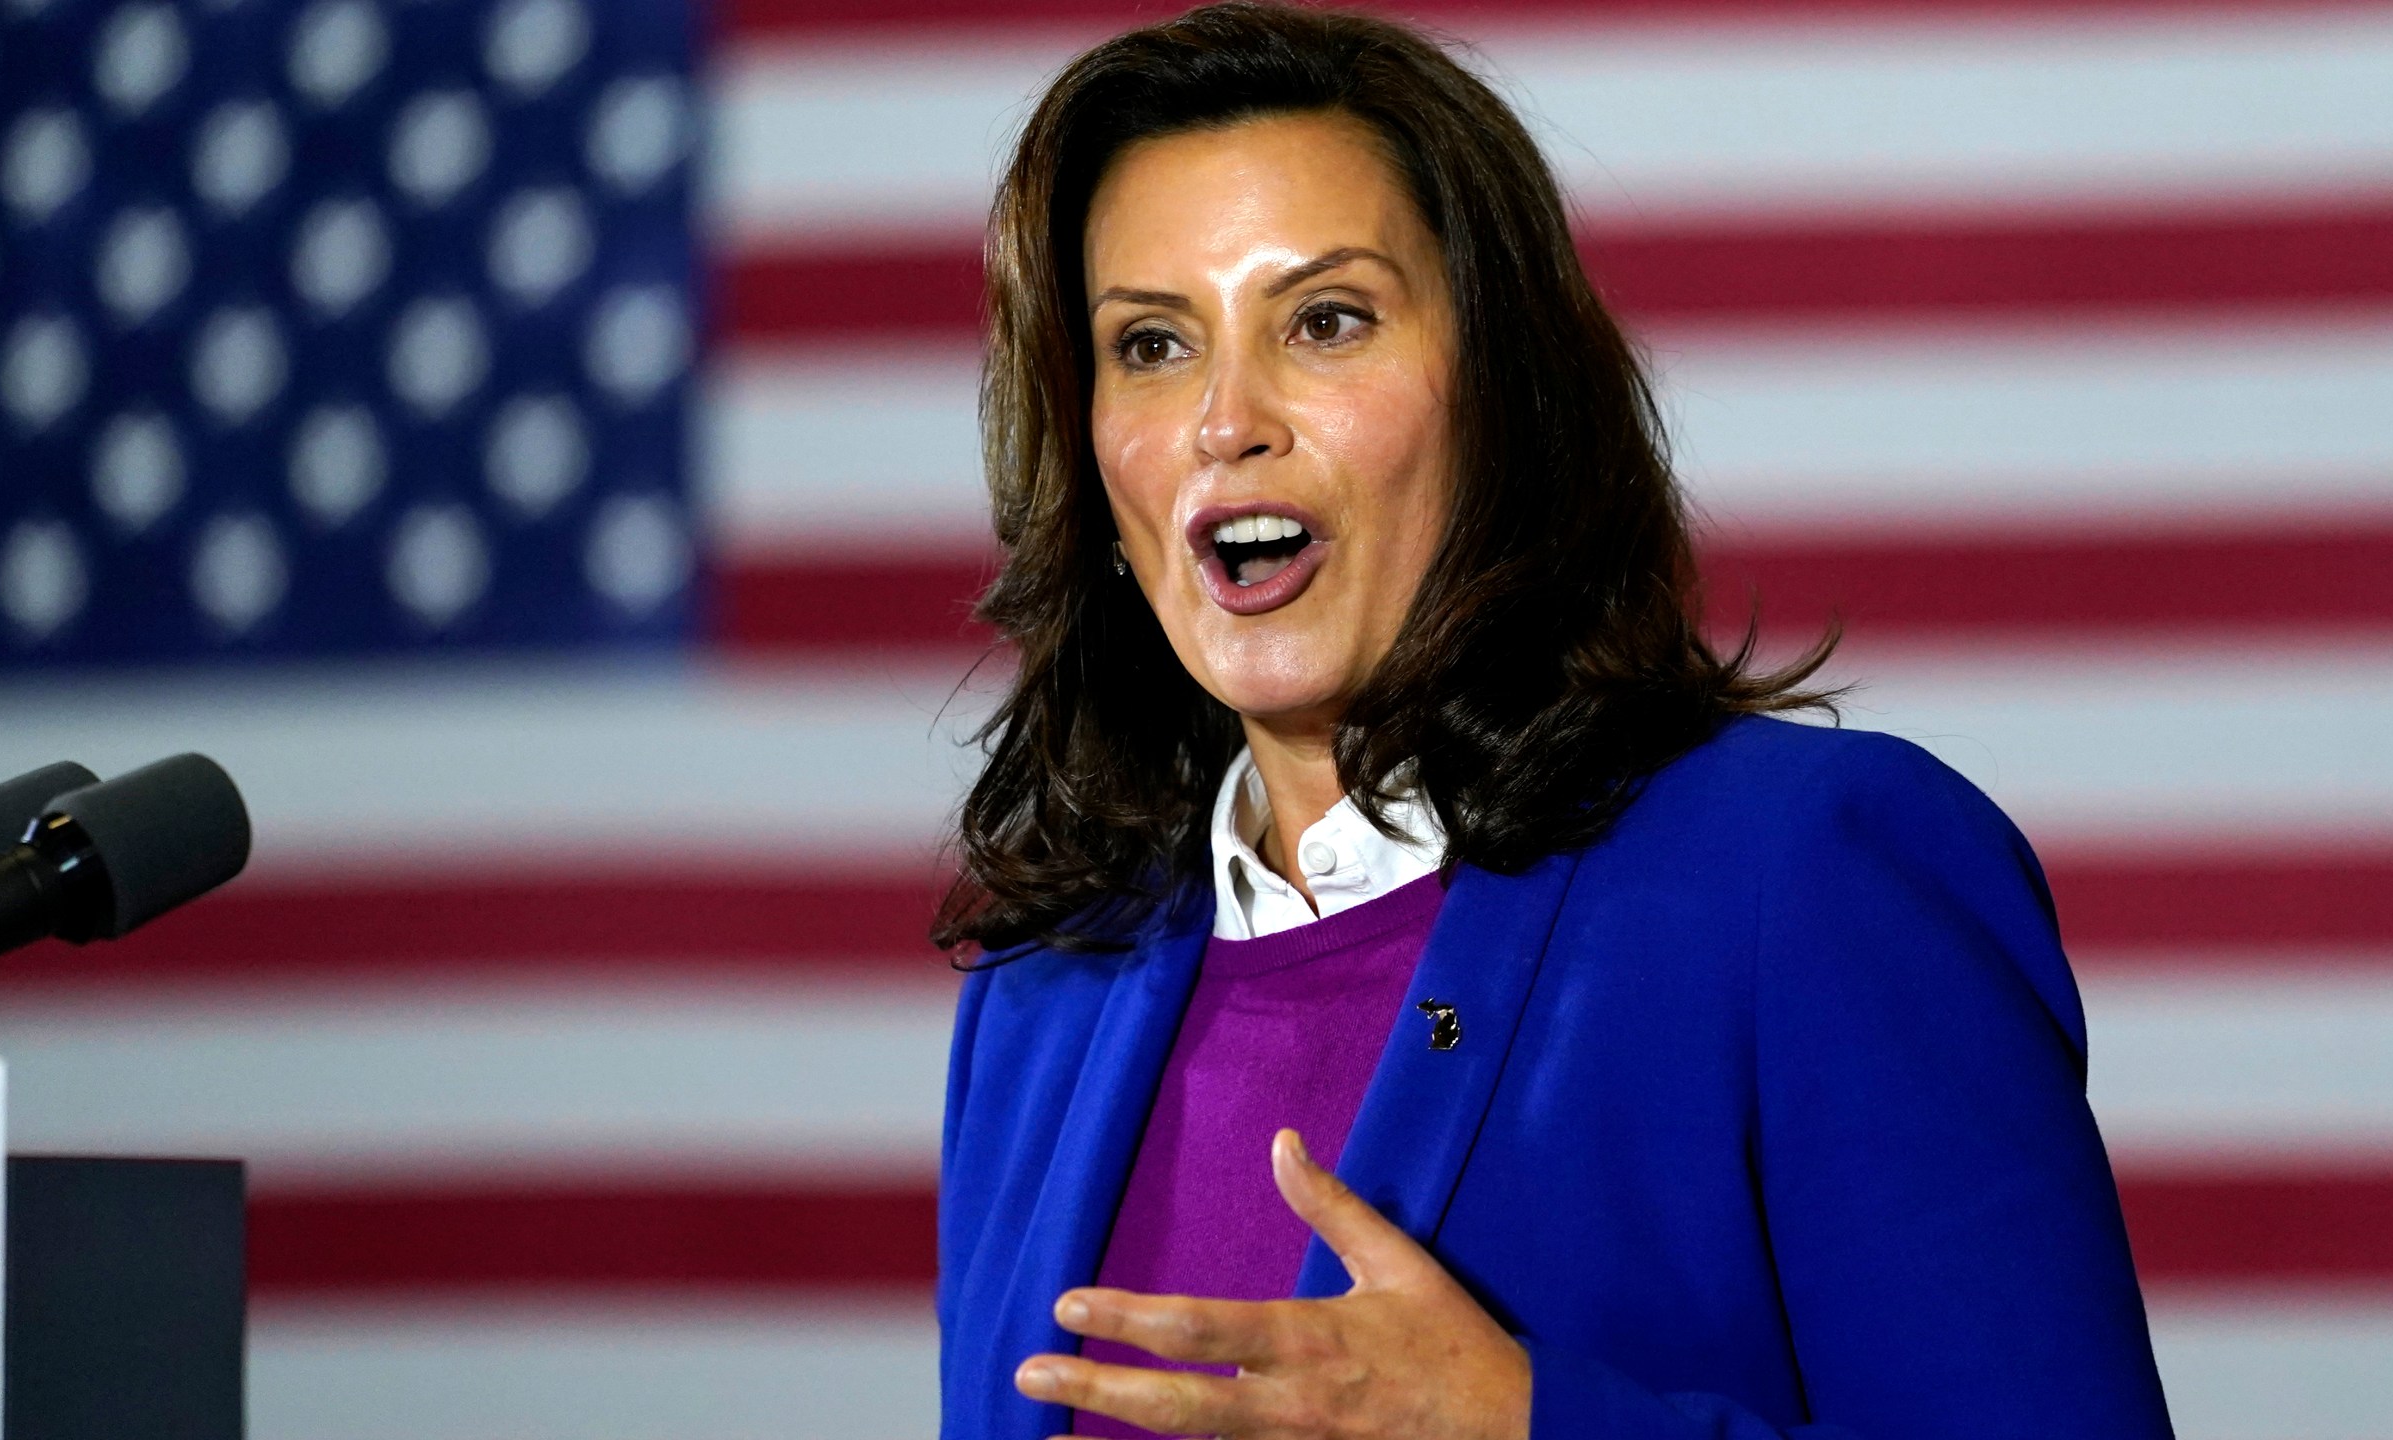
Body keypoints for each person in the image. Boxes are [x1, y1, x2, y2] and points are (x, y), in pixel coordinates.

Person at [929, 5, 2174, 1438]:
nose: (1226, 421)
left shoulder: (1803, 879)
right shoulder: (1039, 997)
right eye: (1149, 344)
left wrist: (1522, 1422)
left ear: (1504, 399)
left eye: (1325, 322)